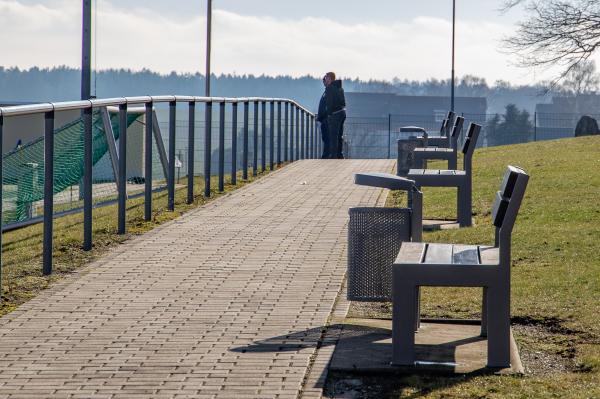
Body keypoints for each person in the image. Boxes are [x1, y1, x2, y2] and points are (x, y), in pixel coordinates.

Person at [324, 72, 346, 159]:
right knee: (340, 135)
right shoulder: (340, 88)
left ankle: (333, 156)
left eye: (326, 78)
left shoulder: (329, 88)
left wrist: (329, 115)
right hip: (342, 112)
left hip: (335, 114)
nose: (325, 79)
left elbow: (329, 103)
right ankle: (340, 154)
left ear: (330, 78)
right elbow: (343, 102)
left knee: (333, 136)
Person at [317, 76, 330, 158]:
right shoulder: (327, 91)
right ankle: (326, 155)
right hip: (324, 119)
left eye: (325, 80)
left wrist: (323, 115)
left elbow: (330, 106)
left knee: (327, 139)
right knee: (325, 138)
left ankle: (326, 156)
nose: (323, 82)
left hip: (326, 119)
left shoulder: (329, 91)